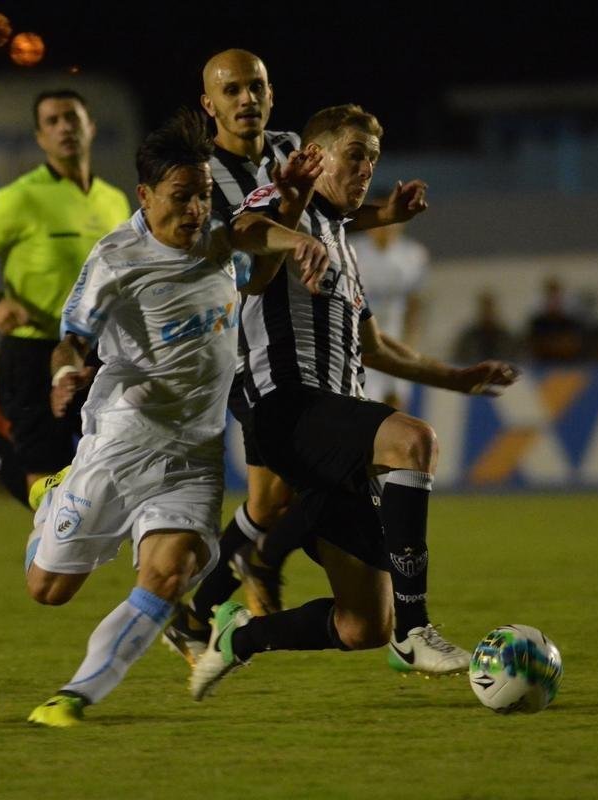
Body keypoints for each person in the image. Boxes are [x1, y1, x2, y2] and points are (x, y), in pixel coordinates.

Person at [189, 104, 519, 701]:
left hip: (334, 424)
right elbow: (243, 237)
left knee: (363, 623)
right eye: (355, 155)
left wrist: (456, 376)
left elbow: (375, 348)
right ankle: (415, 631)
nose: (367, 169)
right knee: (414, 441)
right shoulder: (281, 204)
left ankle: (237, 639)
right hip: (289, 409)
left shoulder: (340, 239)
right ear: (314, 158)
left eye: (373, 158)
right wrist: (290, 229)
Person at [23, 109, 329, 726]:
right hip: (122, 441)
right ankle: (54, 494)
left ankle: (77, 694)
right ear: (146, 196)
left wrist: (295, 231)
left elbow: (257, 259)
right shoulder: (117, 259)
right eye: (182, 197)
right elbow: (71, 339)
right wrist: (64, 373)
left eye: (204, 195)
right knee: (48, 590)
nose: (196, 209)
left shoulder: (218, 238)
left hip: (193, 452)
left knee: (173, 571)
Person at [164, 50, 443, 668]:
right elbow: (245, 237)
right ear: (209, 106)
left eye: (256, 86)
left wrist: (383, 215)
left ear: (271, 91)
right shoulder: (205, 175)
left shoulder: (292, 144)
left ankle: (202, 613)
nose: (247, 99)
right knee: (286, 497)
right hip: (246, 354)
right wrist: (292, 233)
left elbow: (330, 211)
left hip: (303, 353)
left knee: (269, 506)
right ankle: (237, 586)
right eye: (232, 90)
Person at [0, 89, 131, 507]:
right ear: (40, 138)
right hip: (33, 350)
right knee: (47, 497)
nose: (64, 128)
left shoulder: (114, 200)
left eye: (72, 118)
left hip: (94, 354)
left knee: (108, 479)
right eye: (52, 121)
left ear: (90, 127)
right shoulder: (20, 197)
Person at [349, 220, 428, 410]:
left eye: (391, 222)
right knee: (367, 407)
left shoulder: (413, 254)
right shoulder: (352, 250)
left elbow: (414, 303)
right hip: (362, 345)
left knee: (398, 406)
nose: (385, 228)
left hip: (396, 342)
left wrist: (410, 344)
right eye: (380, 222)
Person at [527, 277, 585, 362]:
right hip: (542, 362)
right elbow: (534, 346)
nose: (553, 301)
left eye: (556, 296)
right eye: (550, 296)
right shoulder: (538, 323)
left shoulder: (570, 322)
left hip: (569, 362)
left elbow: (573, 345)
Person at [453, 290, 519, 363]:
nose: (487, 311)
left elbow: (514, 359)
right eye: (484, 307)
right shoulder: (469, 337)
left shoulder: (505, 337)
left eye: (489, 307)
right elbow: (459, 359)